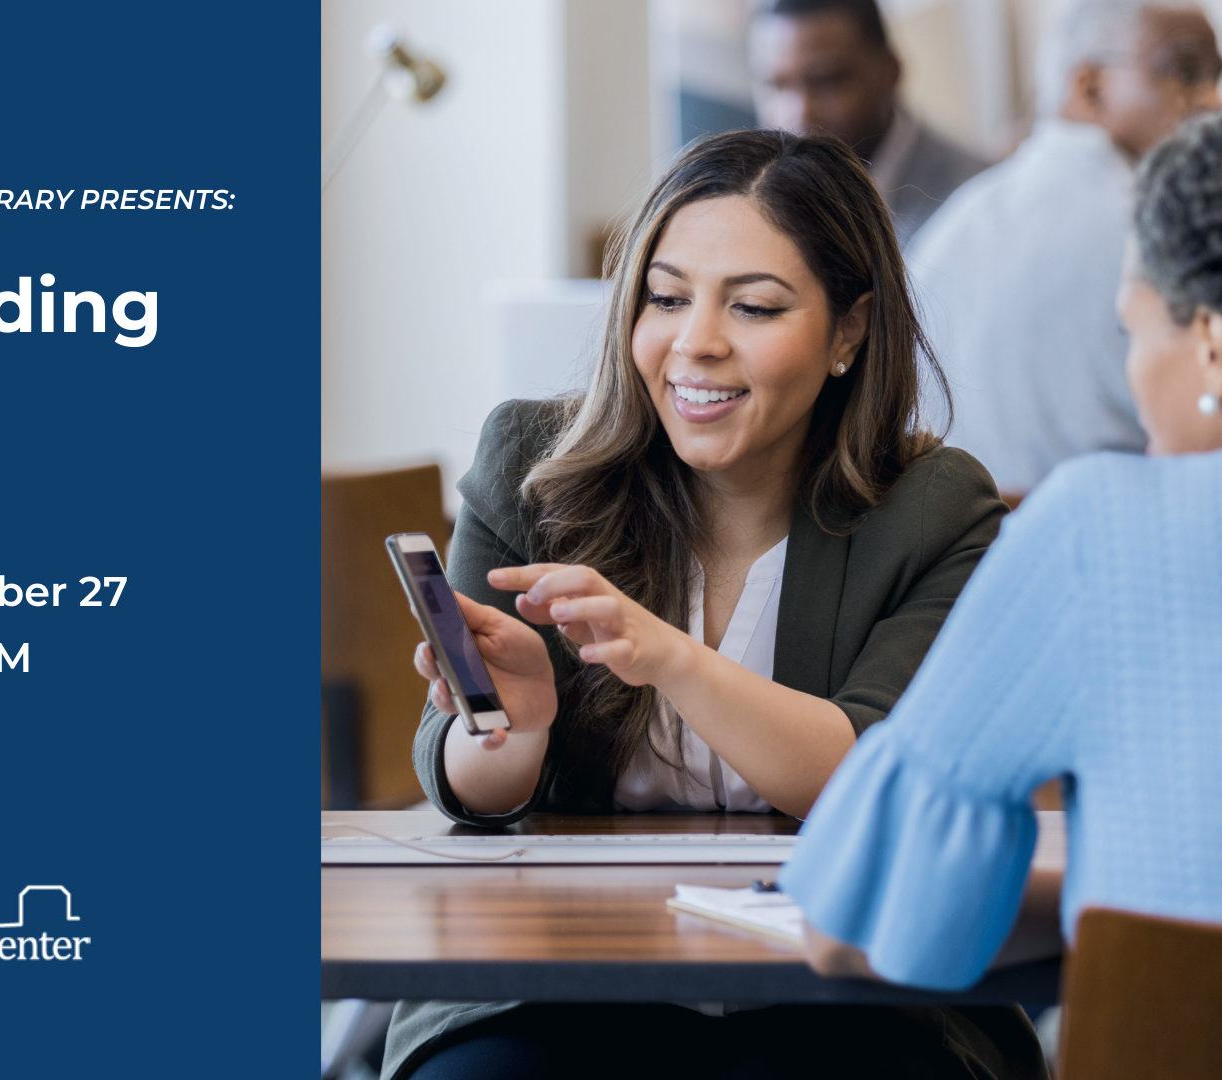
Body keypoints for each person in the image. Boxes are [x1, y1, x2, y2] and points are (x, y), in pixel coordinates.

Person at [383, 129, 1036, 1079]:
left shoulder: (934, 509)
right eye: (667, 297)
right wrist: (510, 731)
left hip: (842, 990)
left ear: (849, 331)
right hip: (566, 985)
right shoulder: (531, 466)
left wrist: (673, 659)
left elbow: (878, 782)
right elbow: (467, 786)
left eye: (757, 306)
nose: (696, 343)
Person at [784, 89, 1222, 998]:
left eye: (1133, 326)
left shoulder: (1102, 526)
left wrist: (1097, 902)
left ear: (1216, 348)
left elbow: (858, 926)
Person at [906, 0, 1222, 497]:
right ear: (1091, 86)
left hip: (959, 559)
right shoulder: (1162, 229)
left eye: (1218, 76)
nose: (1213, 101)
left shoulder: (955, 224)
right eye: (1184, 72)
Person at [749, 0, 989, 247]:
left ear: (890, 73)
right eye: (776, 85)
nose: (798, 114)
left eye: (826, 81)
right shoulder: (749, 197)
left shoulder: (976, 204)